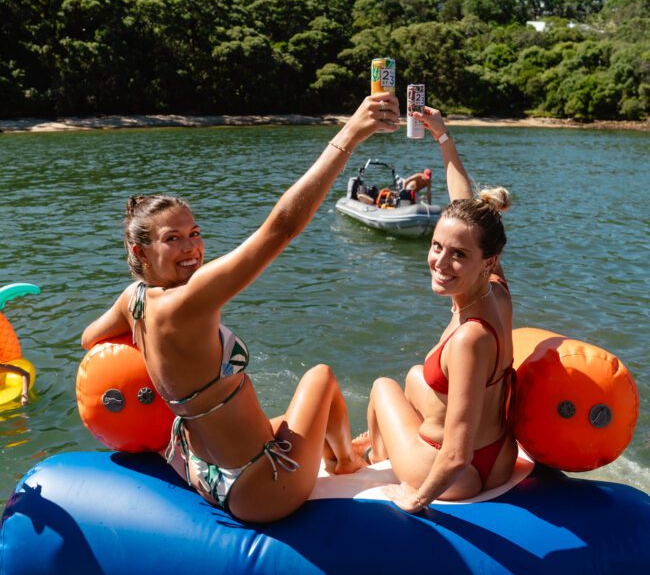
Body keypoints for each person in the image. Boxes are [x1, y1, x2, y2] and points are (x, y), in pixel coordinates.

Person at [81, 93, 400, 523]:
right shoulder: (188, 301)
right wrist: (351, 134)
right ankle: (346, 462)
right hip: (261, 488)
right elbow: (281, 228)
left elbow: (90, 339)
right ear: (141, 250)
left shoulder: (134, 299)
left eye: (194, 233)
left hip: (204, 472)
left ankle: (339, 451)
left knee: (292, 415)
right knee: (321, 379)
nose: (192, 248)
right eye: (172, 239)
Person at [353, 107, 518, 513]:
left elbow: (456, 454)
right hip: (499, 456)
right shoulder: (496, 290)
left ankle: (375, 457)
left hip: (460, 475)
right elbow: (467, 206)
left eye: (457, 255)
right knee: (414, 376)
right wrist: (444, 138)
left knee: (383, 387)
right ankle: (382, 443)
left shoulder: (470, 338)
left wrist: (415, 500)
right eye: (437, 246)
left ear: (486, 261)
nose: (440, 263)